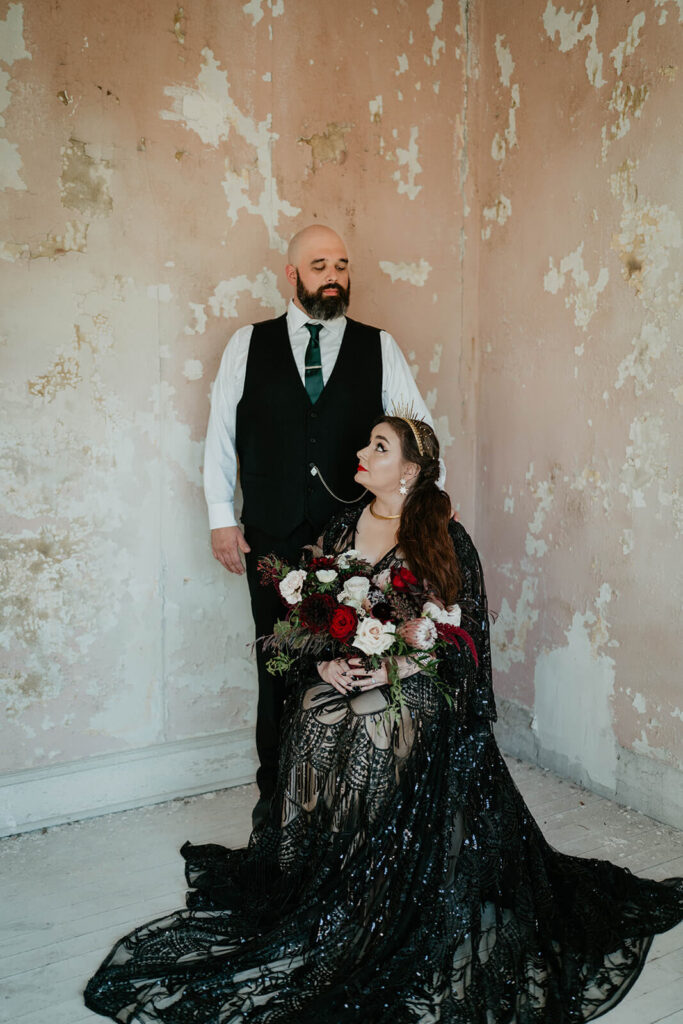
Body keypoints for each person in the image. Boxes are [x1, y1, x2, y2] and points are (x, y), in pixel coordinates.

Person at [85, 415, 682, 1023]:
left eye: (379, 446)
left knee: (375, 724)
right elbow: (306, 620)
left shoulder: (443, 535)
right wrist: (324, 668)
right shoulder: (341, 526)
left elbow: (465, 635)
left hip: (417, 684)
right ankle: (320, 876)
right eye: (368, 443)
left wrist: (401, 668)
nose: (362, 452)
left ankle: (376, 888)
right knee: (317, 717)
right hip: (349, 669)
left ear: (412, 471)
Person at [203, 224, 439, 827]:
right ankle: (275, 802)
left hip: (352, 540)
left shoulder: (378, 346)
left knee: (352, 661)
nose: (332, 275)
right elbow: (221, 439)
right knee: (276, 661)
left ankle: (340, 805)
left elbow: (419, 431)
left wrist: (427, 500)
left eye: (340, 264)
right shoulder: (245, 345)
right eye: (318, 265)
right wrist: (219, 519)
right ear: (292, 275)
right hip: (269, 537)